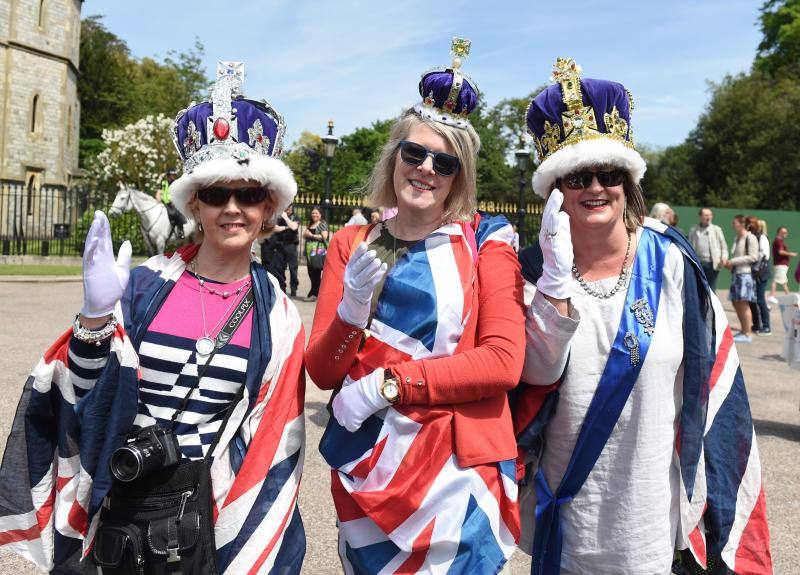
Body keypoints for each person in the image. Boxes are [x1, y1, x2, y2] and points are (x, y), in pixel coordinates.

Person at [0, 63, 306, 574]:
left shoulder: (278, 316)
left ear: (269, 204)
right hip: (125, 507)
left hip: (207, 519)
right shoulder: (144, 288)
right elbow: (81, 390)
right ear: (195, 203)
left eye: (249, 194)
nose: (232, 208)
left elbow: (273, 445)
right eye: (215, 194)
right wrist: (96, 319)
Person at [516, 57, 772, 575]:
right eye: (575, 176)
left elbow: (719, 400)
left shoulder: (673, 264)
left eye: (608, 173)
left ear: (627, 181)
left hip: (649, 529)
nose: (593, 187)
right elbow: (517, 386)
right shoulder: (525, 273)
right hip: (563, 524)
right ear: (553, 190)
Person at [304, 38, 525, 572]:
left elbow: (502, 362)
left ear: (460, 176)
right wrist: (350, 316)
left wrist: (389, 384)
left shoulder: (488, 243)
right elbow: (321, 370)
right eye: (414, 153)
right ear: (395, 156)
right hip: (369, 462)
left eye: (444, 163)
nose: (426, 169)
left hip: (458, 470)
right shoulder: (349, 245)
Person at [724, 215, 760, 343]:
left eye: (734, 222)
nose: (732, 225)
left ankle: (747, 333)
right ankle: (743, 329)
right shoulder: (737, 238)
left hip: (745, 275)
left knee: (743, 303)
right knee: (736, 302)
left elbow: (753, 257)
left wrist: (732, 261)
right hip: (736, 274)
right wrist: (729, 264)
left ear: (741, 224)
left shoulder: (750, 238)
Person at [262, 203, 301, 297]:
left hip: (291, 245)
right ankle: (282, 287)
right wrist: (287, 226)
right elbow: (275, 228)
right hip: (279, 245)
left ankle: (293, 287)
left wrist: (286, 218)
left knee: (293, 268)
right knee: (279, 268)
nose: (288, 209)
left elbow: (294, 227)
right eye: (286, 208)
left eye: (290, 208)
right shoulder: (278, 218)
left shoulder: (295, 217)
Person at [688, 207, 728, 292]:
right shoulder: (693, 230)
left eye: (710, 215)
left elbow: (723, 246)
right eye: (706, 215)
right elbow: (690, 246)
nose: (708, 217)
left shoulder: (716, 229)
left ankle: (711, 305)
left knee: (711, 289)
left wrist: (724, 257)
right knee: (699, 289)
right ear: (700, 216)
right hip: (698, 263)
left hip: (712, 264)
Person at [748, 217, 772, 335]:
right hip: (753, 272)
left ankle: (767, 326)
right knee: (752, 300)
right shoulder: (751, 237)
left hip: (760, 273)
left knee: (761, 299)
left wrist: (756, 269)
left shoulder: (762, 238)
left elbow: (764, 255)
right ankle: (756, 325)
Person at [302, 206, 328, 301]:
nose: (314, 215)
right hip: (310, 252)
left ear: (321, 214)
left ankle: (314, 294)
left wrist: (311, 235)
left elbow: (324, 236)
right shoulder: (311, 223)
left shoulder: (322, 224)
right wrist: (306, 235)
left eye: (316, 213)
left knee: (315, 272)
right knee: (311, 272)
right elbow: (305, 235)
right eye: (313, 213)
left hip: (317, 252)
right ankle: (315, 292)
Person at [155, 168, 188, 239]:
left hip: (174, 204)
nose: (173, 176)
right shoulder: (163, 183)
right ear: (168, 175)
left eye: (174, 175)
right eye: (172, 175)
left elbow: (179, 193)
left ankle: (180, 230)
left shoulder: (176, 183)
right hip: (164, 203)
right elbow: (159, 192)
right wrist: (158, 198)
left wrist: (175, 200)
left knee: (177, 213)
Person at [770, 226, 797, 302]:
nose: (785, 234)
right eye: (783, 232)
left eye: (786, 232)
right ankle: (771, 296)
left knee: (783, 281)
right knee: (776, 280)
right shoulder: (778, 241)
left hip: (782, 264)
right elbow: (780, 252)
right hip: (780, 264)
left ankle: (789, 297)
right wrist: (790, 254)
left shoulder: (780, 241)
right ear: (779, 233)